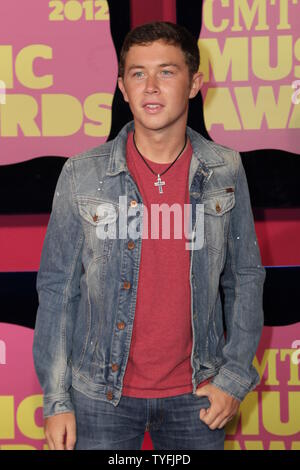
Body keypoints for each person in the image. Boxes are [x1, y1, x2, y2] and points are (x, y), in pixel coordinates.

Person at [33, 21, 266, 450]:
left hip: (197, 395)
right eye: (138, 74)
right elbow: (58, 291)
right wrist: (56, 400)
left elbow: (246, 279)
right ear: (122, 88)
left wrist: (232, 380)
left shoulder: (225, 169)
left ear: (195, 83)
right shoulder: (82, 173)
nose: (151, 87)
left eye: (167, 72)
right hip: (98, 396)